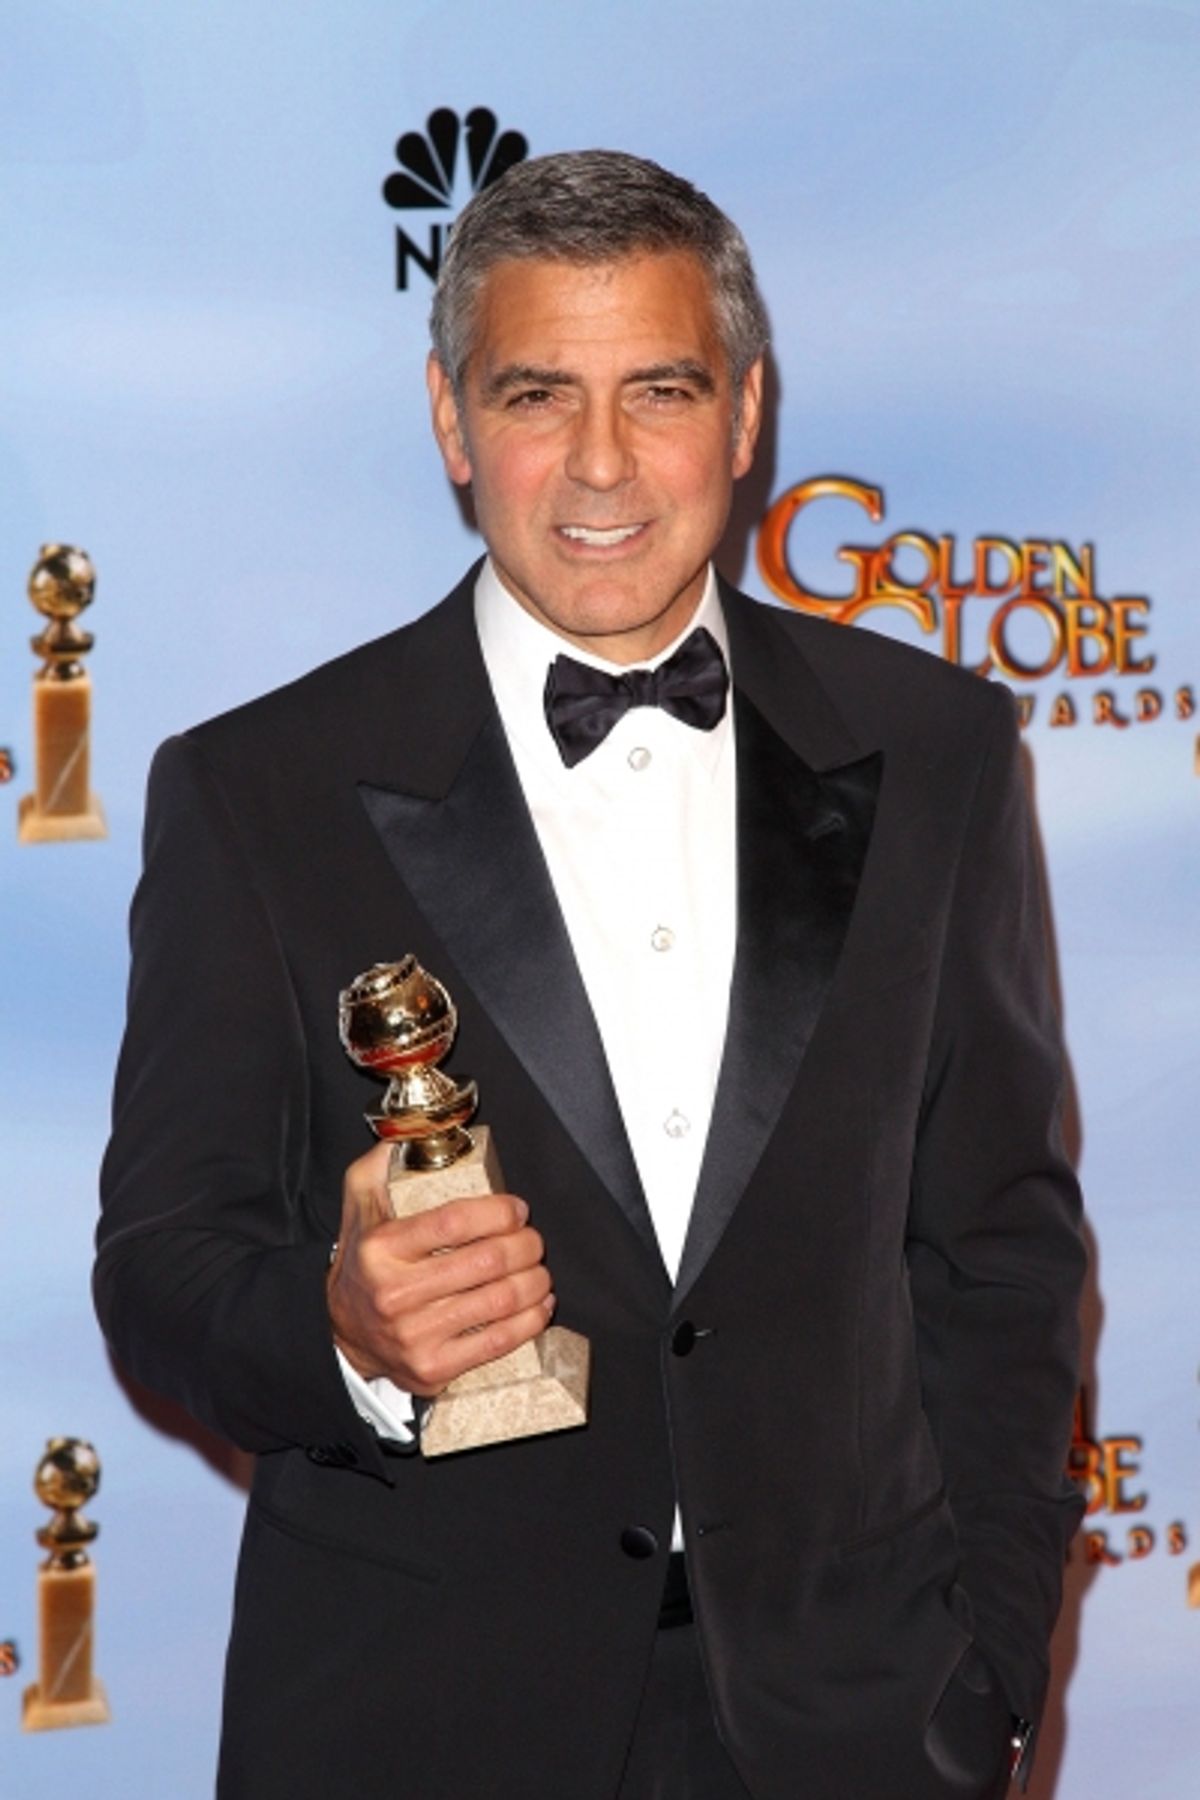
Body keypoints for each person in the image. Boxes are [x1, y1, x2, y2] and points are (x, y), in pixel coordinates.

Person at [96, 150, 1085, 1800]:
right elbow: (163, 1268)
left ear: (748, 413)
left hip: (853, 1726)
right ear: (450, 418)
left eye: (665, 388)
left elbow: (1000, 1253)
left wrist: (984, 1681)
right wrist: (344, 1332)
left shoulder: (940, 750)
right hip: (419, 1727)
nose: (603, 464)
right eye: (540, 391)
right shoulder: (256, 788)